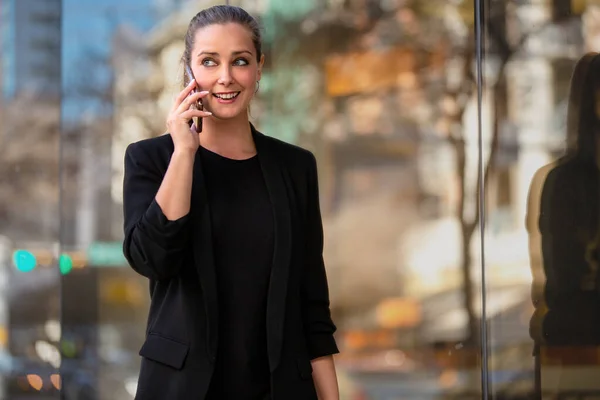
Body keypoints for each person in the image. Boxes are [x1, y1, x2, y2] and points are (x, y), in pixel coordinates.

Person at [122, 5, 339, 400]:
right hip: (182, 388)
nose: (225, 77)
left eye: (240, 61)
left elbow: (312, 303)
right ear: (189, 70)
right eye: (209, 61)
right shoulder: (150, 159)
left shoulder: (295, 167)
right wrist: (184, 153)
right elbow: (151, 259)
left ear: (258, 68)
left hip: (278, 389)